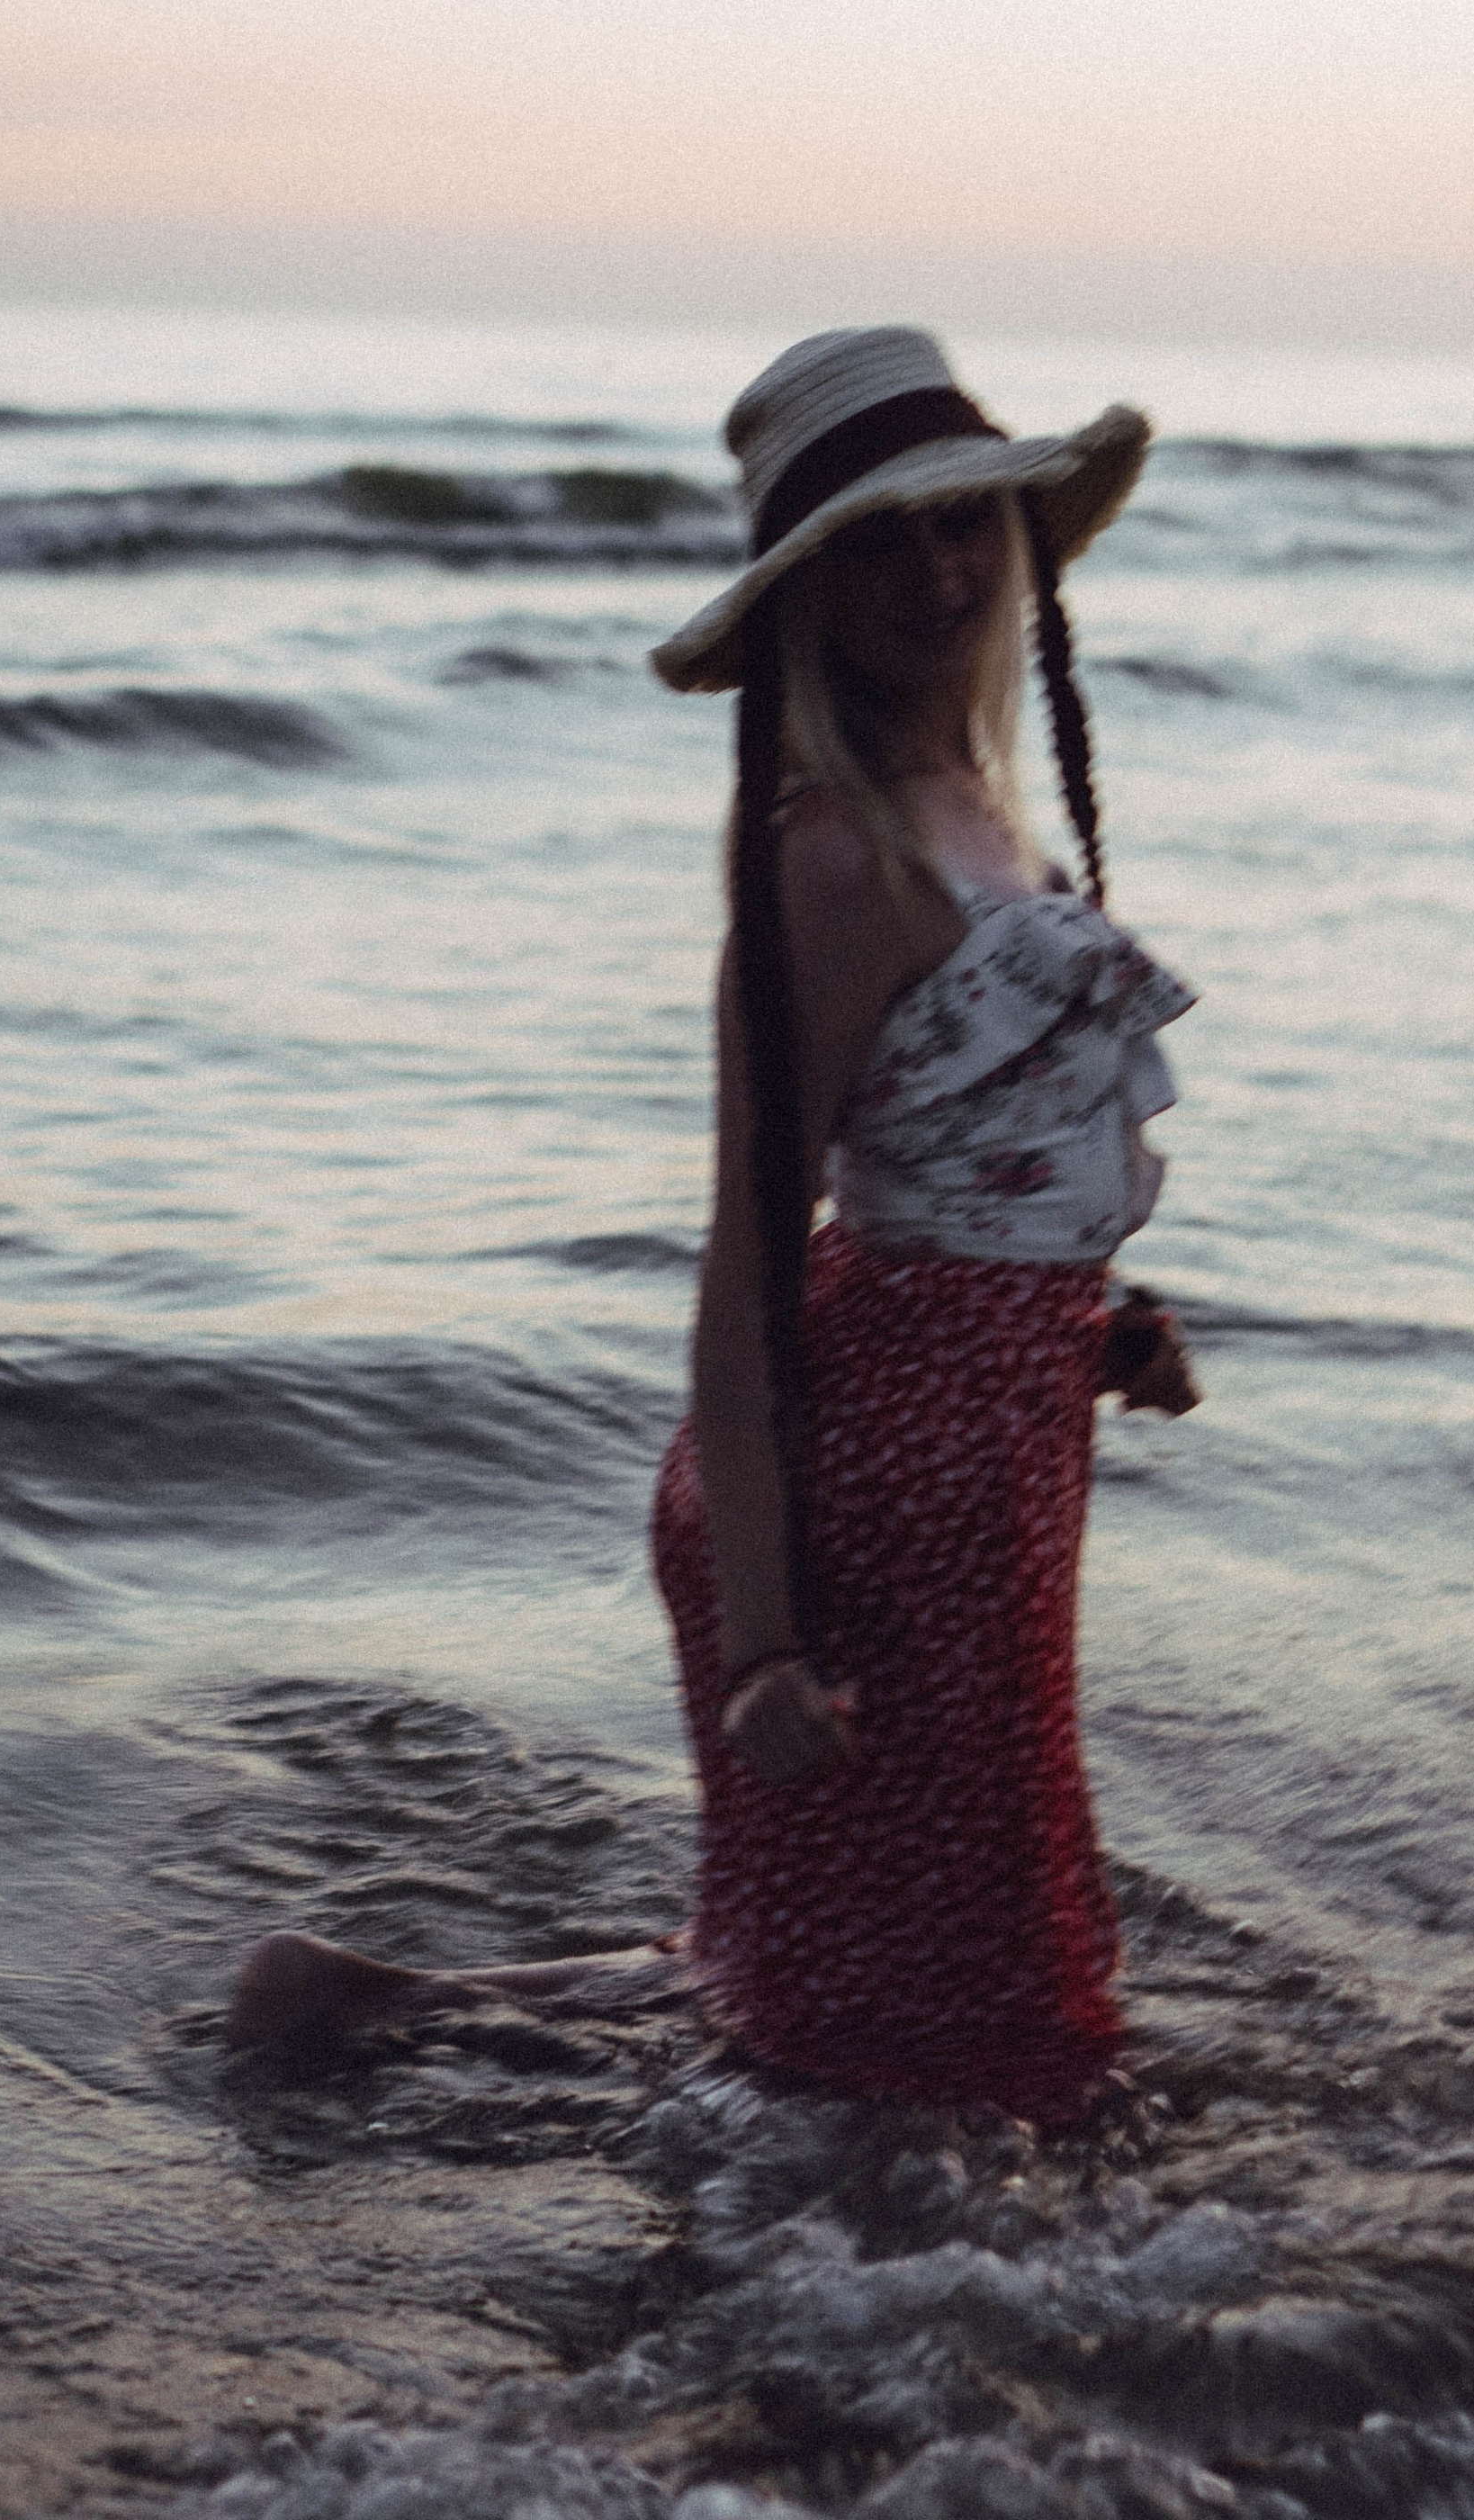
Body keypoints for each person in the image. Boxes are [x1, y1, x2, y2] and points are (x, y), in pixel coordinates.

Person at [228, 328, 1197, 2123]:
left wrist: (1096, 1326)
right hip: (873, 1481)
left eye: (959, 525)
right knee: (911, 2009)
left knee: (851, 1961)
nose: (932, 571)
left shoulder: (970, 805)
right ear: (807, 592)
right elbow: (748, 1267)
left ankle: (366, 2004)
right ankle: (350, 2012)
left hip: (974, 1442)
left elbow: (959, 1155)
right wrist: (762, 1632)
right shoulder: (831, 854)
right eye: (875, 542)